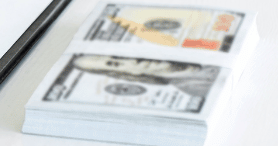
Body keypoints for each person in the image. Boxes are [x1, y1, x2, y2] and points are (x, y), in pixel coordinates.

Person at [71, 54, 219, 97]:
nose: (131, 59)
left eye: (117, 55)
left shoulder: (203, 54)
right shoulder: (194, 89)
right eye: (115, 64)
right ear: (127, 75)